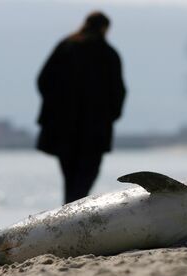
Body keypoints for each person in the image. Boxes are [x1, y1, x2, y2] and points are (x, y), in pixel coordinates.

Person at [36, 11, 127, 203]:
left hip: (62, 129)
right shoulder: (108, 54)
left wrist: (55, 109)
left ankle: (68, 213)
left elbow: (43, 80)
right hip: (94, 131)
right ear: (104, 28)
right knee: (85, 178)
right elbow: (118, 92)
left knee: (70, 178)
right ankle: (73, 215)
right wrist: (109, 116)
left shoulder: (66, 47)